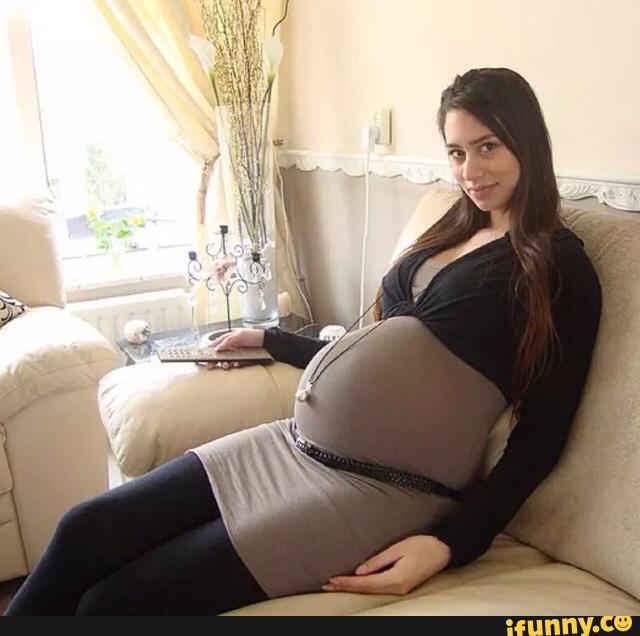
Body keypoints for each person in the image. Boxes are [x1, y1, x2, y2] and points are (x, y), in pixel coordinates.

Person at [5, 67, 601, 616]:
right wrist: (271, 340)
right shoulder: (451, 226)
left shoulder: (557, 266)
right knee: (84, 530)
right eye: (456, 152)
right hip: (293, 445)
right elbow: (376, 349)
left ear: (527, 141)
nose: (470, 171)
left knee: (111, 604)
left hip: (380, 491)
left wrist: (451, 543)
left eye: (487, 147)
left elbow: (543, 433)